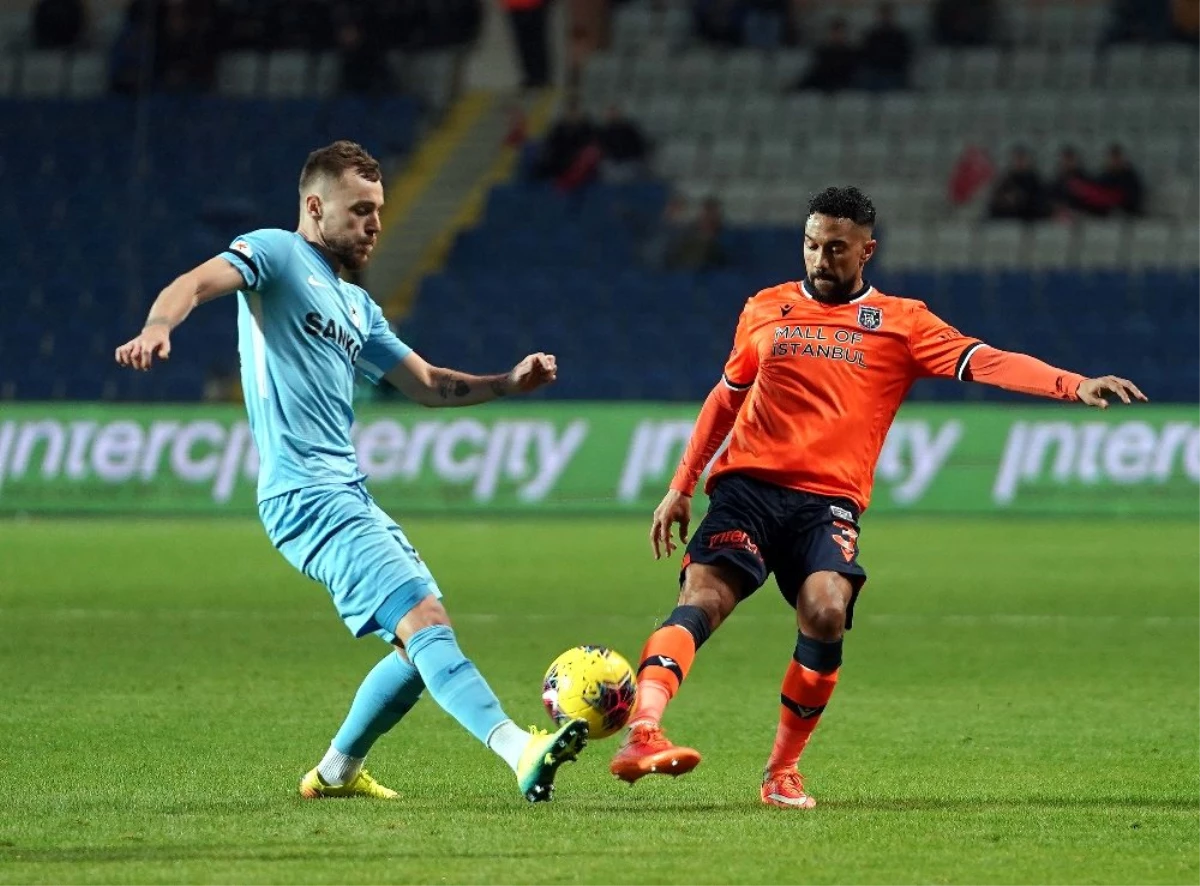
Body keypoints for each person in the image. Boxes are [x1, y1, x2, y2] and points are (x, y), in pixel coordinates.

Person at [608, 186, 1147, 808]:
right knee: (705, 597)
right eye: (811, 245)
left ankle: (781, 772)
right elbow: (724, 398)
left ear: (868, 251)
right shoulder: (765, 308)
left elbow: (987, 361)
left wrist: (1072, 385)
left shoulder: (903, 323)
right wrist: (679, 486)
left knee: (827, 611)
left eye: (836, 248)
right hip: (748, 487)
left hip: (828, 502)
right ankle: (643, 730)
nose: (820, 259)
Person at [114, 140, 589, 803]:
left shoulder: (357, 308)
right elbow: (192, 284)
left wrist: (508, 381)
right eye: (360, 209)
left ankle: (335, 773)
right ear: (315, 206)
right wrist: (158, 326)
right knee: (425, 621)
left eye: (380, 211)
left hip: (350, 493)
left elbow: (425, 384)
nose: (374, 224)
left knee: (417, 647)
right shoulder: (276, 254)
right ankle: (521, 749)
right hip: (306, 495)